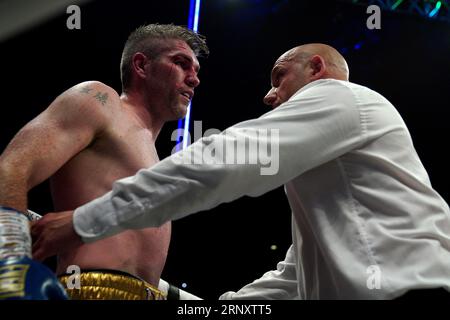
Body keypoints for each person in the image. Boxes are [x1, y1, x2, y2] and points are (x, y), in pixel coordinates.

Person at [31, 43, 450, 299]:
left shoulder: (340, 97)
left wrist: (86, 221)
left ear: (317, 70)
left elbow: (227, 159)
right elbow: (296, 275)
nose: (269, 95)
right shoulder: (333, 160)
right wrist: (228, 306)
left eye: (279, 78)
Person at [0, 23, 208, 300]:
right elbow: (12, 168)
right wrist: (11, 259)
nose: (193, 79)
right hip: (91, 289)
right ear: (141, 65)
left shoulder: (154, 156)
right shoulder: (99, 101)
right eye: (181, 63)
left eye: (196, 70)